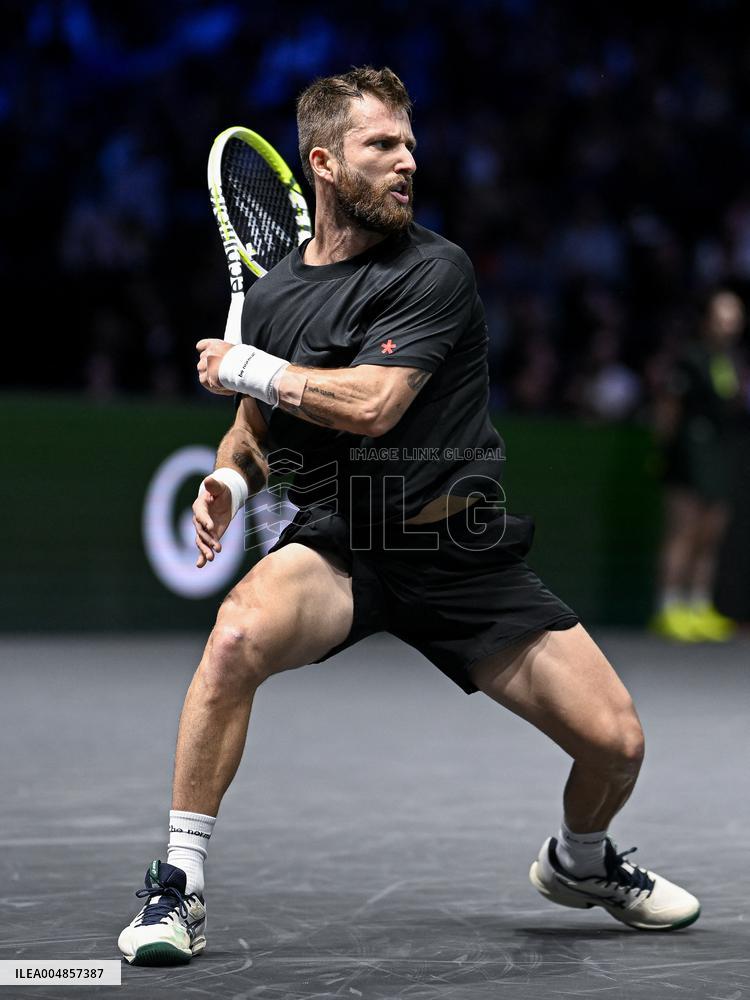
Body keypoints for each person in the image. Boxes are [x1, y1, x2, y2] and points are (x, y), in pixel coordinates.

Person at [118, 67, 700, 966]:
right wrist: (231, 483)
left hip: (462, 553)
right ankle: (178, 888)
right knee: (234, 638)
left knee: (617, 745)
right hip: (346, 549)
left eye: (410, 145)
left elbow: (374, 404)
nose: (407, 162)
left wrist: (251, 369)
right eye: (382, 145)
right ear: (323, 162)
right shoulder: (272, 299)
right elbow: (251, 433)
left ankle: (581, 862)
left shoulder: (436, 269)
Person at [651, 289, 745, 642]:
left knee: (711, 534)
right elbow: (669, 409)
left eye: (734, 319)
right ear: (707, 320)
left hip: (719, 456)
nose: (729, 326)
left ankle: (698, 605)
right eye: (723, 318)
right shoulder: (689, 359)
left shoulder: (732, 361)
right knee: (683, 531)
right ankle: (669, 607)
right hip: (688, 456)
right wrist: (666, 450)